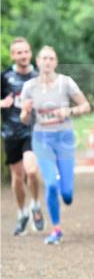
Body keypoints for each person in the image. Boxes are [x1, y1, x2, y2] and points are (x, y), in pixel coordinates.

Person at [20, 45, 90, 245]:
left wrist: (69, 111)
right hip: (41, 138)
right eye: (44, 58)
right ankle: (56, 229)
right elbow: (24, 119)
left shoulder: (66, 83)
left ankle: (64, 193)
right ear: (38, 62)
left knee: (67, 194)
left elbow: (85, 105)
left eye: (51, 58)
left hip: (64, 138)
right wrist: (25, 112)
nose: (48, 61)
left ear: (56, 62)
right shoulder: (29, 87)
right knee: (51, 184)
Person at [1, 37, 45, 235]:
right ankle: (21, 213)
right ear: (13, 55)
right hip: (11, 132)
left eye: (26, 52)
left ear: (30, 53)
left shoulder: (39, 77)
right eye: (19, 52)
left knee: (32, 171)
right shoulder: (5, 77)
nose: (23, 56)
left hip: (32, 130)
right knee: (17, 177)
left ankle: (35, 204)